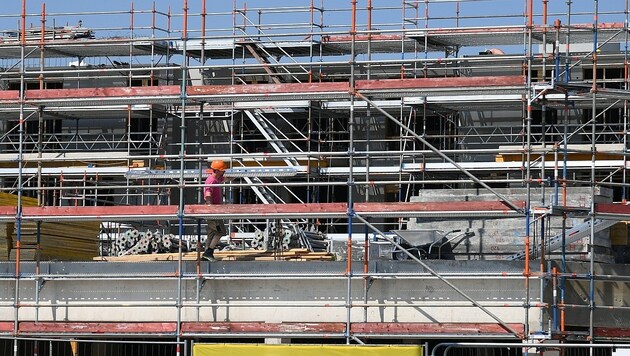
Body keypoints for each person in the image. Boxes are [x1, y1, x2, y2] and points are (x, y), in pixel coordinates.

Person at [202, 159, 228, 261]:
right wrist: (210, 208)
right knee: (220, 231)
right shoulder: (211, 180)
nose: (224, 171)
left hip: (215, 209)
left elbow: (225, 179)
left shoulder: (217, 179)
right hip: (212, 210)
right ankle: (209, 252)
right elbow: (208, 194)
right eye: (222, 170)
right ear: (216, 171)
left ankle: (206, 254)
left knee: (212, 232)